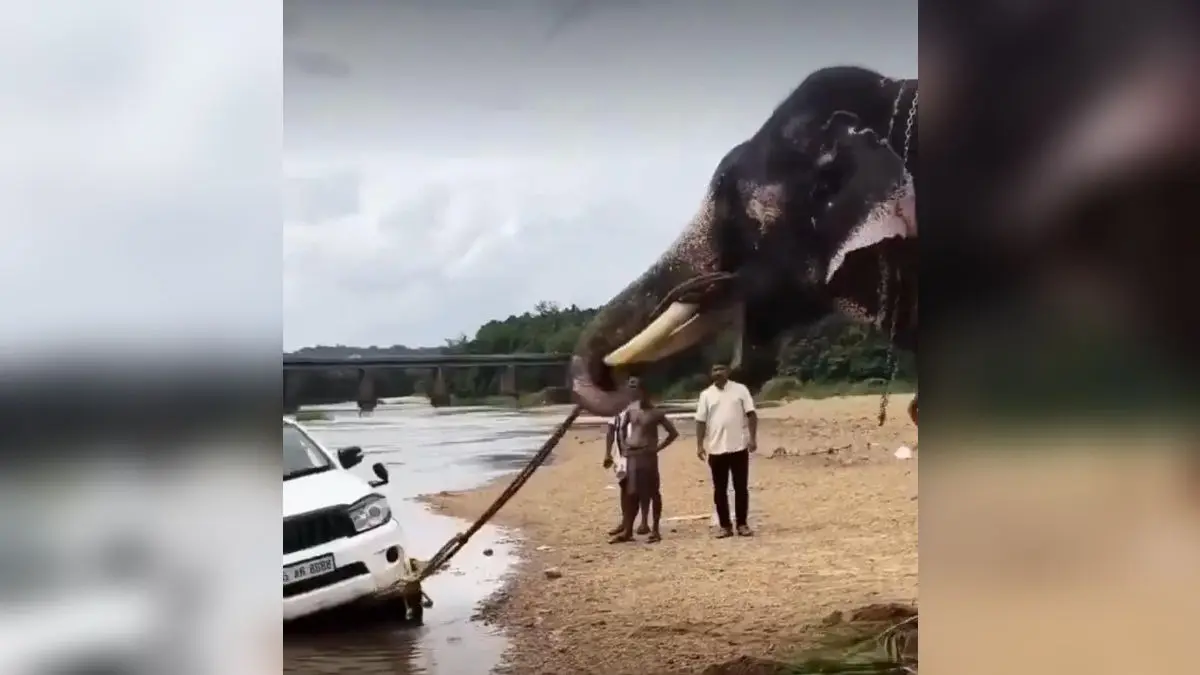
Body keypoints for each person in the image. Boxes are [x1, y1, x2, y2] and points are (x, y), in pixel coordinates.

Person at [607, 377, 679, 544]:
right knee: (632, 493)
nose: (635, 393)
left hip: (648, 455)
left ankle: (655, 530)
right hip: (633, 454)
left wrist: (658, 447)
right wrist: (624, 443)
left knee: (653, 491)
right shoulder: (631, 411)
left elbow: (673, 433)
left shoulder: (656, 413)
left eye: (638, 389)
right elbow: (621, 427)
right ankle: (628, 531)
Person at [695, 363, 758, 538]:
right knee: (720, 489)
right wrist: (699, 445)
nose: (718, 372)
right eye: (714, 369)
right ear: (711, 373)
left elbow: (751, 414)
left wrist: (753, 438)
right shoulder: (706, 395)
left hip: (738, 447)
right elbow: (700, 421)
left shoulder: (740, 390)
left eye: (721, 369)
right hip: (716, 449)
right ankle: (725, 526)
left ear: (728, 372)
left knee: (741, 488)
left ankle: (742, 524)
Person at [603, 406, 650, 537]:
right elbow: (610, 432)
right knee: (624, 487)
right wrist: (608, 454)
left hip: (638, 454)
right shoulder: (616, 410)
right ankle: (625, 523)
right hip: (621, 455)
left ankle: (644, 522)